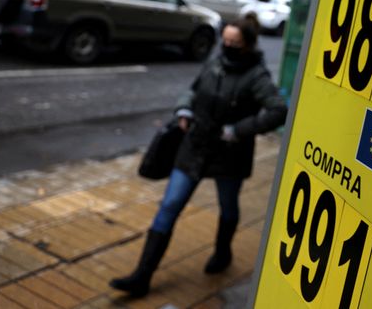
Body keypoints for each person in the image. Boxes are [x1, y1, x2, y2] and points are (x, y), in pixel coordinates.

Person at [109, 17, 287, 297]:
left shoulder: (257, 76)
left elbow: (278, 110)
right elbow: (191, 90)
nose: (227, 47)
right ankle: (142, 276)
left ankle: (222, 251)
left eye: (234, 44)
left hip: (229, 154)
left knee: (228, 206)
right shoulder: (214, 63)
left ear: (248, 45)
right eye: (225, 41)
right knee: (169, 205)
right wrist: (184, 110)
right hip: (194, 145)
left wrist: (238, 130)